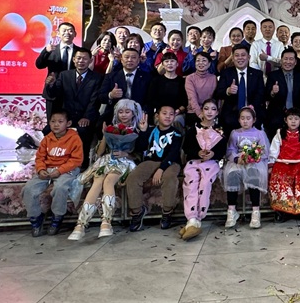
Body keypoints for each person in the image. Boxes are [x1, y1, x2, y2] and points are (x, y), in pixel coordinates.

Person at [68, 99, 143, 240]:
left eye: (127, 112)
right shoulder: (111, 128)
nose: (124, 115)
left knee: (108, 181)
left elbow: (140, 154)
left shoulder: (138, 130)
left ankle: (106, 222)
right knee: (97, 181)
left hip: (125, 163)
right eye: (120, 112)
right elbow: (99, 153)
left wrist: (125, 154)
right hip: (107, 160)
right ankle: (81, 224)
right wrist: (104, 136)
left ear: (133, 113)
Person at [23, 111, 83, 237]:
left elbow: (76, 160)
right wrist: (41, 169)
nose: (56, 125)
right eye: (53, 121)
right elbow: (40, 157)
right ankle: (36, 218)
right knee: (29, 188)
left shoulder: (74, 138)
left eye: (60, 122)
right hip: (48, 169)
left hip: (67, 169)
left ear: (68, 123)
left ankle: (57, 217)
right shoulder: (47, 139)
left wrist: (60, 170)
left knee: (60, 187)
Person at [43, 48, 102, 169]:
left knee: (83, 131)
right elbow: (55, 94)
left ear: (90, 60)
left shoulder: (97, 78)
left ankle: (82, 164)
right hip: (67, 117)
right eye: (78, 58)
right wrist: (51, 84)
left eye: (85, 59)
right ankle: (54, 161)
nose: (81, 61)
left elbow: (94, 101)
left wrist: (86, 117)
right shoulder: (64, 75)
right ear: (74, 60)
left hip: (85, 116)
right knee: (48, 130)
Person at [126, 105, 183, 231]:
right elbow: (140, 148)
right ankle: (137, 212)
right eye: (164, 113)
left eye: (171, 114)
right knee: (133, 177)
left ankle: (167, 212)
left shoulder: (177, 133)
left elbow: (173, 154)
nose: (168, 116)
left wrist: (161, 169)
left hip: (171, 163)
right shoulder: (151, 130)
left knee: (169, 178)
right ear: (157, 116)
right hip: (151, 161)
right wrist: (143, 131)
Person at [180, 99, 225, 240]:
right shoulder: (193, 129)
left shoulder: (220, 130)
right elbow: (187, 147)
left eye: (213, 109)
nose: (209, 112)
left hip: (211, 163)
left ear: (217, 112)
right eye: (206, 108)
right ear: (202, 111)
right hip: (194, 161)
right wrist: (197, 153)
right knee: (191, 183)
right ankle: (191, 218)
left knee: (205, 183)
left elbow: (223, 150)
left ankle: (197, 219)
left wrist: (213, 154)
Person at [223, 107, 270, 229]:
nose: (245, 121)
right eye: (242, 118)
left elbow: (264, 151)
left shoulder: (259, 133)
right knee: (232, 173)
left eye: (248, 118)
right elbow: (230, 150)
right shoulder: (235, 133)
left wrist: (253, 157)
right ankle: (231, 210)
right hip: (238, 161)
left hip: (254, 161)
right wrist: (236, 159)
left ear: (254, 120)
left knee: (253, 173)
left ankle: (255, 211)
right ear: (239, 120)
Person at [215, 45, 266, 133]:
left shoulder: (257, 74)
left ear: (248, 57)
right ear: (232, 58)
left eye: (243, 55)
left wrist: (251, 108)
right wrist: (228, 91)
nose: (240, 58)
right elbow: (218, 93)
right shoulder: (226, 73)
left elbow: (261, 94)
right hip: (232, 112)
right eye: (237, 55)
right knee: (227, 123)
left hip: (252, 110)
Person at [35, 22, 81, 119]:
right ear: (58, 33)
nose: (67, 33)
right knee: (52, 122)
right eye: (64, 30)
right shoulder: (51, 50)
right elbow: (39, 65)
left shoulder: (80, 52)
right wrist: (45, 51)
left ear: (75, 34)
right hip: (53, 92)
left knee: (70, 121)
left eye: (70, 31)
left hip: (72, 93)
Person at [99, 48, 152, 121]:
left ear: (138, 60)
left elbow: (150, 100)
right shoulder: (111, 76)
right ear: (121, 59)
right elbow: (101, 97)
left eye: (133, 57)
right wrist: (111, 95)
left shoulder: (147, 77)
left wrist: (141, 113)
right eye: (126, 57)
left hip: (139, 115)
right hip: (114, 115)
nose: (130, 60)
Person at [264, 48, 300, 140]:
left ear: (295, 62)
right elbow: (266, 96)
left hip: (297, 112)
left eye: (291, 59)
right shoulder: (273, 75)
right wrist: (273, 92)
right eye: (285, 59)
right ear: (281, 60)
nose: (288, 62)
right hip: (278, 113)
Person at [147, 52, 188, 127]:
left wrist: (178, 111)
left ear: (177, 64)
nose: (169, 63)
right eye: (166, 61)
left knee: (176, 121)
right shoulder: (156, 81)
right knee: (161, 121)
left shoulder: (183, 81)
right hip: (160, 112)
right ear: (162, 65)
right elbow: (151, 100)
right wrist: (162, 112)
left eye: (172, 61)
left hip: (177, 113)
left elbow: (185, 101)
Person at [185, 51, 218, 124]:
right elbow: (192, 98)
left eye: (204, 60)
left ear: (209, 64)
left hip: (210, 111)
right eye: (198, 60)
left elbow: (216, 98)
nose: (201, 63)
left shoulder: (213, 78)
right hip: (194, 111)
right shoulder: (190, 78)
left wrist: (212, 112)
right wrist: (199, 113)